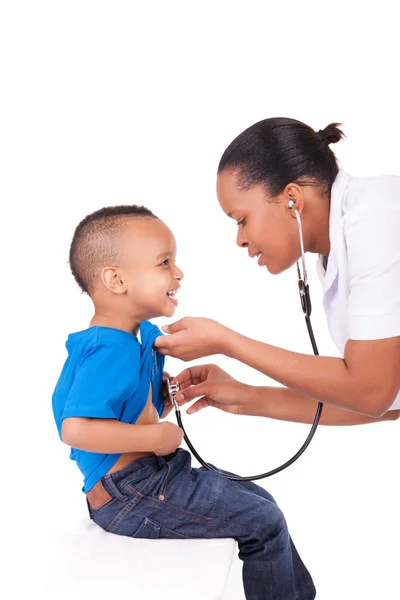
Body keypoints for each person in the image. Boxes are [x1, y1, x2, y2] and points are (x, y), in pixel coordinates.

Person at [52, 205, 316, 600]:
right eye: (164, 262)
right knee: (264, 521)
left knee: (262, 501)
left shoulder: (135, 338)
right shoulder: (110, 348)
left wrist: (161, 400)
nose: (178, 273)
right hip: (130, 493)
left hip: (146, 480)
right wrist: (157, 437)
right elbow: (76, 429)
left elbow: (129, 413)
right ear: (116, 279)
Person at [154, 117, 400, 427]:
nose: (240, 239)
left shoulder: (376, 217)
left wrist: (227, 342)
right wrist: (247, 397)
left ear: (292, 200)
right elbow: (388, 400)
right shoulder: (338, 254)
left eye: (242, 219)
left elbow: (373, 393)